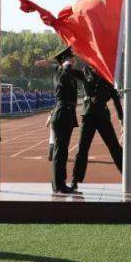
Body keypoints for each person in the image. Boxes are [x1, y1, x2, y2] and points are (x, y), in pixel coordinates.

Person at [70, 64, 123, 190]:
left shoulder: (108, 78)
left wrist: (121, 118)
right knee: (82, 149)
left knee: (115, 147)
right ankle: (75, 180)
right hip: (88, 116)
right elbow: (70, 71)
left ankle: (129, 177)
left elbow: (115, 98)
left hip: (102, 117)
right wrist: (55, 63)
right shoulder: (86, 72)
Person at [48, 46, 86, 194]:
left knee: (62, 152)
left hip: (67, 115)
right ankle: (59, 185)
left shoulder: (67, 73)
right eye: (71, 58)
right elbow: (65, 75)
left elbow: (81, 76)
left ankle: (59, 183)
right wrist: (66, 65)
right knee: (60, 151)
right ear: (65, 61)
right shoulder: (59, 73)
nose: (73, 60)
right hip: (62, 114)